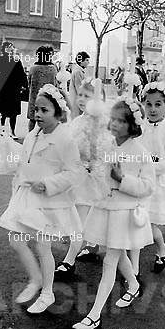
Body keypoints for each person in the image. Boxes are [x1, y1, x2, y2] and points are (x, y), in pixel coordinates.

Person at [0, 85, 84, 313]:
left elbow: (74, 172)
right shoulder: (33, 135)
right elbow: (24, 161)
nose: (37, 114)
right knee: (15, 240)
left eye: (44, 110)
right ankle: (35, 279)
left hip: (50, 201)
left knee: (43, 246)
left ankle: (47, 293)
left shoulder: (65, 139)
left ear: (57, 113)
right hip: (28, 196)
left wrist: (47, 184)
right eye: (36, 109)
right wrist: (5, 144)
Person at [72, 99, 154, 329]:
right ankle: (135, 285)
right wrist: (93, 171)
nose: (115, 124)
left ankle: (95, 314)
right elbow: (100, 175)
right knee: (114, 254)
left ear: (132, 124)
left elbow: (148, 186)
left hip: (123, 213)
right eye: (113, 119)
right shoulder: (107, 147)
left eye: (121, 121)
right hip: (105, 208)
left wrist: (123, 180)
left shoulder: (140, 153)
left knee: (110, 261)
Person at [54, 80, 111, 280]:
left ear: (99, 99)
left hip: (95, 180)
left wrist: (95, 162)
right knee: (79, 218)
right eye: (80, 95)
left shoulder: (106, 123)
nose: (81, 99)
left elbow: (109, 150)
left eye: (87, 96)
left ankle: (69, 260)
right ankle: (92, 245)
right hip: (78, 178)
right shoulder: (77, 122)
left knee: (82, 220)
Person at [136, 83, 165, 275]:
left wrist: (152, 167)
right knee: (137, 223)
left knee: (152, 226)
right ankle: (133, 268)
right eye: (149, 104)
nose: (153, 109)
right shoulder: (140, 127)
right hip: (141, 183)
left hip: (160, 183)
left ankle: (162, 248)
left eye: (158, 104)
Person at [0, 41, 27, 139]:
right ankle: (2, 130)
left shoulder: (17, 60)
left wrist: (24, 85)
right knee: (3, 111)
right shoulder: (0, 60)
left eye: (11, 47)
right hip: (3, 90)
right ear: (4, 49)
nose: (10, 49)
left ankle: (12, 131)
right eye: (8, 47)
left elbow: (22, 74)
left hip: (14, 90)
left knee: (14, 113)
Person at [28, 46, 59, 131]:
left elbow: (29, 82)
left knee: (33, 119)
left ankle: (30, 136)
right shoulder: (53, 68)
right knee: (47, 118)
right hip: (49, 98)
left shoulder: (33, 68)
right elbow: (56, 83)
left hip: (35, 97)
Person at [69, 51, 90, 118]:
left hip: (76, 100)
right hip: (77, 101)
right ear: (81, 61)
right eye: (86, 60)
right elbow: (79, 89)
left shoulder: (78, 71)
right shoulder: (78, 72)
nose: (88, 62)